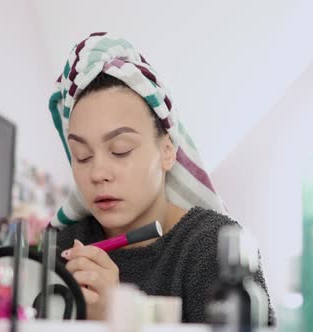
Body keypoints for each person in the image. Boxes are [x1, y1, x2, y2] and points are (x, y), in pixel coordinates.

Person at [48, 32, 275, 324]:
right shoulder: (64, 246)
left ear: (168, 151)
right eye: (82, 156)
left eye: (120, 150)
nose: (98, 173)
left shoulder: (211, 248)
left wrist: (116, 319)